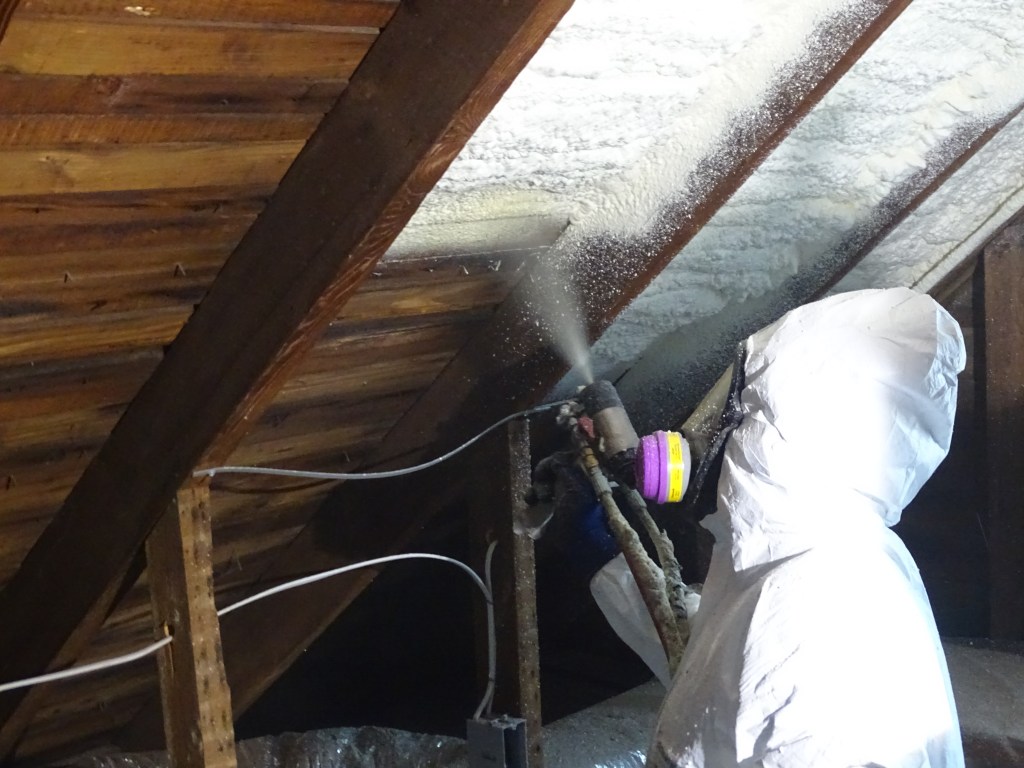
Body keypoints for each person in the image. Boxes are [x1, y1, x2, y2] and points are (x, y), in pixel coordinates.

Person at [548, 288, 968, 767]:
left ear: (797, 428)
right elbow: (712, 665)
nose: (706, 432)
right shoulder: (815, 557)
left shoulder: (826, 612)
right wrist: (607, 561)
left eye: (736, 410)